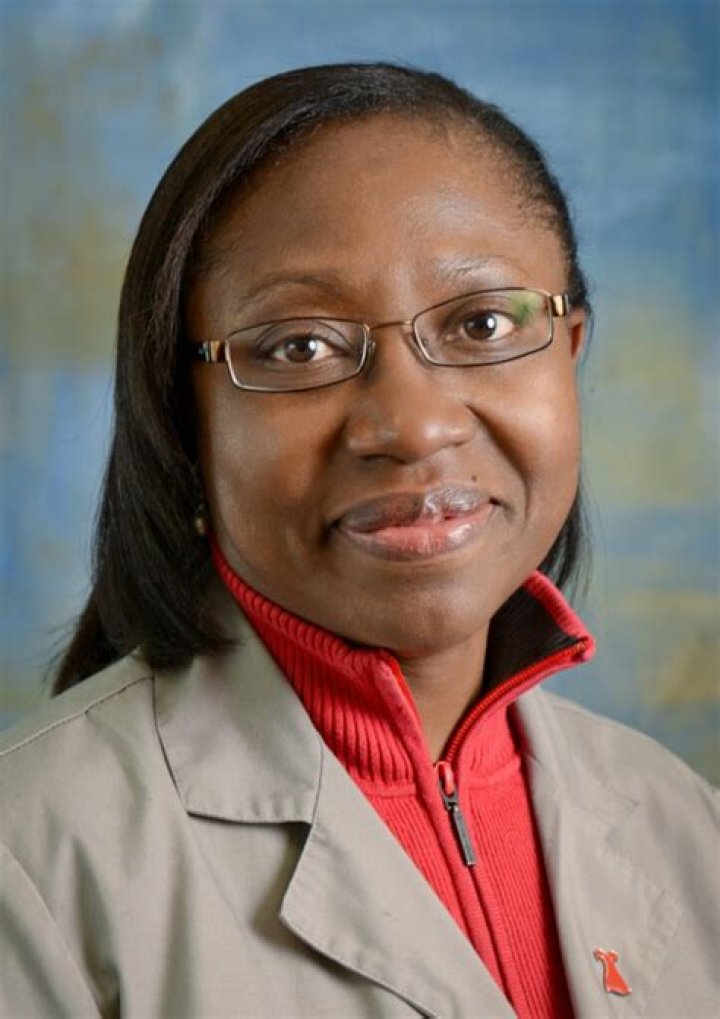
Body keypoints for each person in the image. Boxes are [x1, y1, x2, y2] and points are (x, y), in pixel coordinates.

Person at [0, 63, 716, 1019]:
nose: (413, 426)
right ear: (184, 418)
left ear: (569, 352)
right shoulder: (29, 860)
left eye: (483, 323)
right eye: (300, 346)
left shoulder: (688, 827)